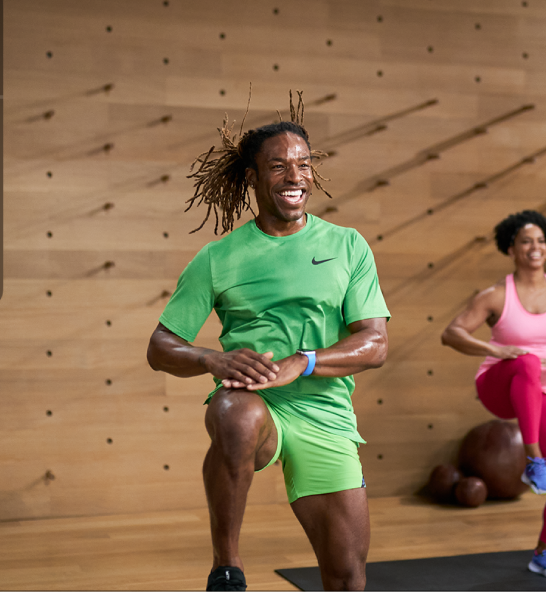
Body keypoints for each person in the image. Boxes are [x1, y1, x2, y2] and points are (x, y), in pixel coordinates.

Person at [146, 95, 390, 592]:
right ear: (253, 179)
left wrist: (303, 362)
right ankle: (227, 568)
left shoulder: (347, 246)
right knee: (237, 415)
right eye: (277, 167)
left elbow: (375, 343)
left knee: (347, 576)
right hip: (254, 401)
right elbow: (160, 346)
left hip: (325, 411)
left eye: (302, 164)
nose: (293, 176)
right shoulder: (219, 257)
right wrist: (213, 359)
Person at [440, 209, 546, 580]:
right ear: (512, 249)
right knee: (529, 363)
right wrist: (497, 350)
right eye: (526, 241)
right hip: (500, 385)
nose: (535, 247)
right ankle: (534, 461)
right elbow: (451, 333)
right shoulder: (497, 295)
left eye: (541, 241)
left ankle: (544, 552)